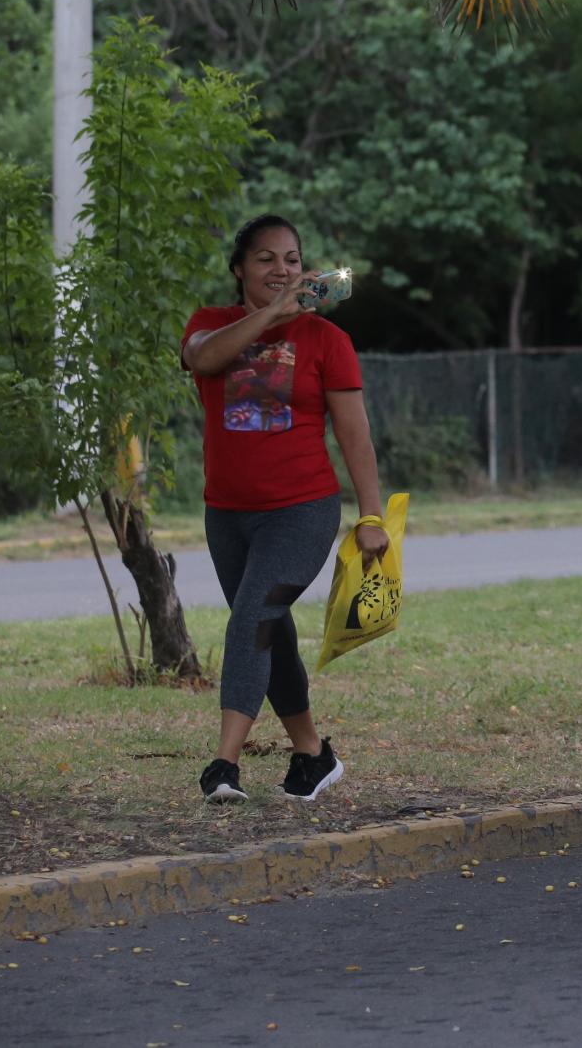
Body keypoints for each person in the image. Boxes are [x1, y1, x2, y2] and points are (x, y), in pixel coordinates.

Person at [182, 215, 388, 806]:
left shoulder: (328, 341)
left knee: (253, 618)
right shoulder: (210, 325)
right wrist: (273, 314)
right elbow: (203, 359)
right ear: (240, 268)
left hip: (302, 510)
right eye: (267, 259)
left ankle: (223, 765)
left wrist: (370, 515)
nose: (282, 270)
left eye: (293, 260)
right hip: (227, 514)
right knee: (272, 633)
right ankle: (312, 755)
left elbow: (355, 436)